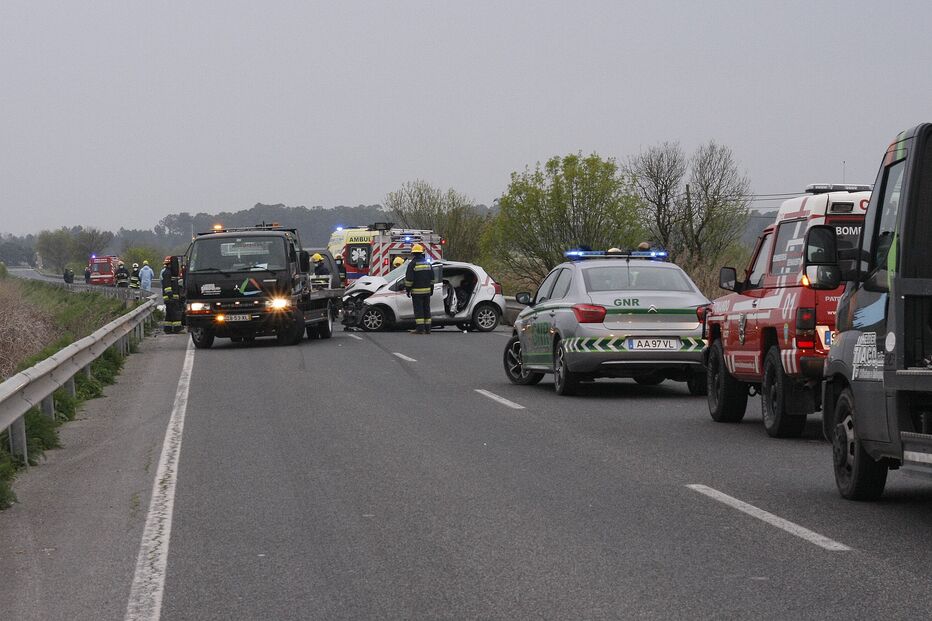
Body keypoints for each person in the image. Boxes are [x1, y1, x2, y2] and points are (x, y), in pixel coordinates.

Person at [404, 244, 435, 334]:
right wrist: (431, 289)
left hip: (417, 292)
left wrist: (408, 290)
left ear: (413, 253)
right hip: (427, 292)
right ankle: (428, 329)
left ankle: (420, 329)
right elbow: (432, 278)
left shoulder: (412, 264)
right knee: (427, 310)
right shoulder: (428, 264)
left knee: (419, 311)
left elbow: (409, 279)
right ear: (421, 253)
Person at [161, 256, 183, 333]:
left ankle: (168, 329)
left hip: (172, 297)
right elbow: (167, 286)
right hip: (170, 297)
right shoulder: (167, 273)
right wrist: (170, 295)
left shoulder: (170, 273)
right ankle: (177, 329)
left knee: (169, 314)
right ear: (170, 264)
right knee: (175, 313)